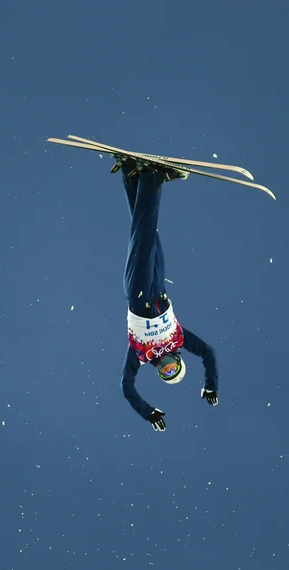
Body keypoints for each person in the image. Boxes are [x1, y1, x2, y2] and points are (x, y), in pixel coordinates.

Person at [118, 158, 219, 432]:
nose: (166, 368)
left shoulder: (141, 354)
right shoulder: (179, 339)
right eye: (172, 370)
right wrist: (210, 385)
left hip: (138, 295)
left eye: (165, 374)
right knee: (147, 234)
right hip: (159, 289)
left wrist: (147, 412)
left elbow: (126, 386)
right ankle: (134, 176)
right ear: (178, 361)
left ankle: (152, 177)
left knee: (143, 235)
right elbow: (208, 353)